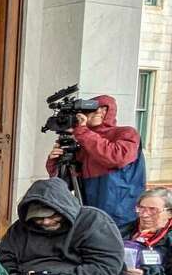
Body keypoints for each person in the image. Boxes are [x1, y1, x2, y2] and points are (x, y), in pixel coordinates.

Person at [45, 94, 145, 228]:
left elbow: (115, 157)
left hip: (120, 214)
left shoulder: (127, 133)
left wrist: (82, 132)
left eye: (105, 109)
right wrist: (54, 161)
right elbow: (65, 183)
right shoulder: (83, 140)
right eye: (93, 109)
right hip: (89, 212)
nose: (99, 112)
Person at [120, 188, 172, 275]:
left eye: (152, 210)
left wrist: (145, 274)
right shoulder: (126, 230)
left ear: (169, 213)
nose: (145, 215)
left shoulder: (169, 236)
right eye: (141, 208)